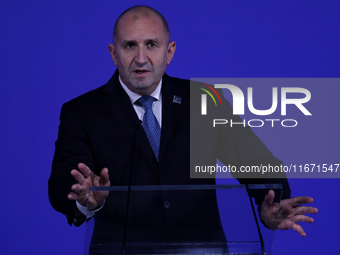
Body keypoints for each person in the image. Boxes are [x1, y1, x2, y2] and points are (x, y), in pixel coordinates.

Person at [48, 4, 317, 251]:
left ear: (170, 51)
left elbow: (256, 162)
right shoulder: (82, 112)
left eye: (151, 45)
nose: (141, 58)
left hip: (202, 250)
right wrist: (85, 200)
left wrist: (271, 201)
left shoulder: (204, 100)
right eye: (130, 46)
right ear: (113, 53)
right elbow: (61, 185)